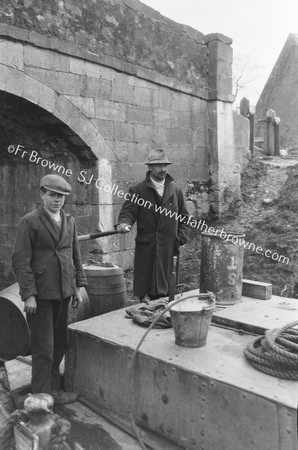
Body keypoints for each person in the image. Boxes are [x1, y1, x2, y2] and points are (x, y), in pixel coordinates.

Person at [12, 174, 87, 404]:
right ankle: (40, 397)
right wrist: (29, 295)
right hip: (41, 295)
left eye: (61, 197)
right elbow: (20, 260)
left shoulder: (69, 220)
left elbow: (75, 254)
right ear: (42, 194)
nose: (57, 200)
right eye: (52, 195)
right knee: (43, 347)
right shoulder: (30, 221)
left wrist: (78, 286)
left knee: (60, 342)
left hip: (63, 291)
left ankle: (53, 389)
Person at [118, 148, 189, 300]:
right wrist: (125, 223)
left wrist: (180, 239)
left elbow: (184, 218)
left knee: (167, 287)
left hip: (169, 247)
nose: (163, 169)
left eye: (165, 165)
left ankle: (163, 315)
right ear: (150, 167)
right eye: (158, 165)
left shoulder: (176, 191)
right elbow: (128, 212)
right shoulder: (137, 190)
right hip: (147, 246)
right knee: (146, 288)